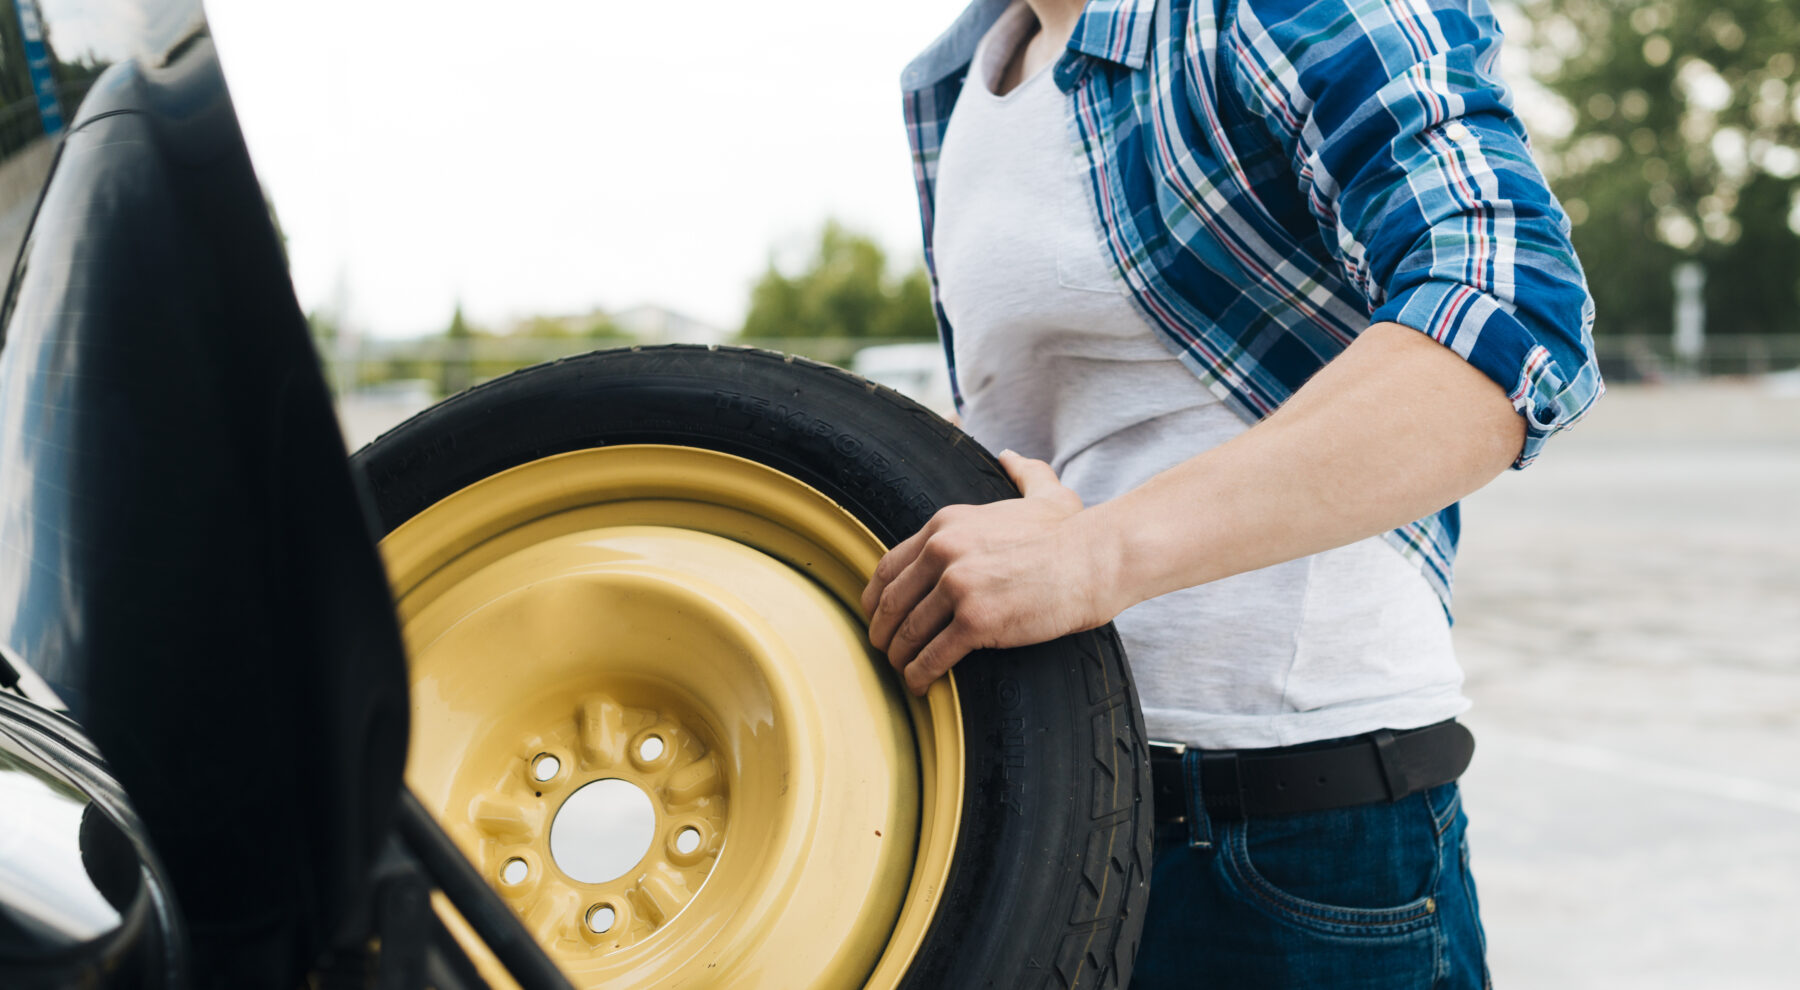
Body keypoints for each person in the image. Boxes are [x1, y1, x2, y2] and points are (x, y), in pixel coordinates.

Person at [860, 0, 1601, 986]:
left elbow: (1512, 312)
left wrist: (1097, 556)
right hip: (1041, 812)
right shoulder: (954, 81)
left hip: (1291, 831)